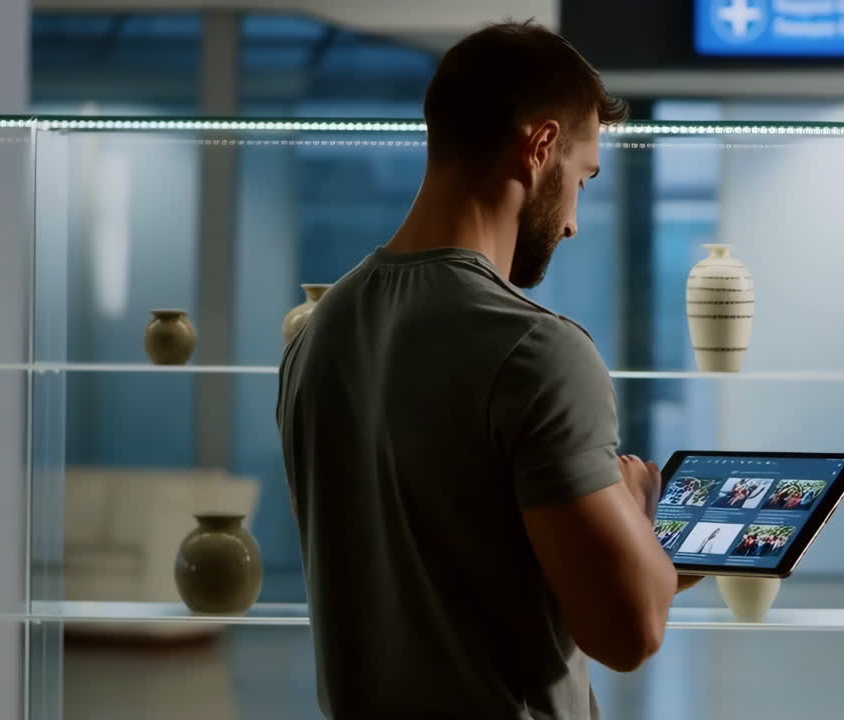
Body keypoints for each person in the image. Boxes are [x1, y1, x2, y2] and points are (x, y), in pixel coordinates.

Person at [276, 21, 700, 720]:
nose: (572, 222)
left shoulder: (319, 334)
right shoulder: (539, 351)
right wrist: (637, 514)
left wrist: (629, 552)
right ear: (539, 149)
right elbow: (627, 634)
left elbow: (446, 569)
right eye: (583, 178)